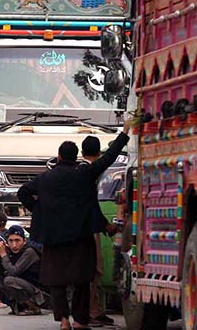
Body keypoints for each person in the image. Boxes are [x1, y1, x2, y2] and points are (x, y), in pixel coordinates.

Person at [18, 120, 131, 330]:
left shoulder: (44, 179)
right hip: (81, 237)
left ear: (59, 156)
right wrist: (124, 133)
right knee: (81, 282)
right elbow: (108, 157)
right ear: (75, 156)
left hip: (53, 238)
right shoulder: (85, 174)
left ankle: (63, 321)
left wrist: (39, 211)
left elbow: (22, 192)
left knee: (57, 281)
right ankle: (80, 321)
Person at [81, 136, 118, 327]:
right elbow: (92, 207)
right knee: (93, 271)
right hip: (87, 230)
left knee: (96, 271)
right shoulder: (88, 170)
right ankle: (91, 313)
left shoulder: (81, 170)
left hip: (86, 228)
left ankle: (96, 310)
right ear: (98, 153)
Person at [0, 225, 44, 316]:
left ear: (24, 241)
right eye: (11, 241)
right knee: (2, 279)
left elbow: (14, 271)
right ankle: (21, 306)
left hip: (39, 294)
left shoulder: (29, 252)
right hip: (26, 288)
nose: (14, 245)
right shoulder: (10, 252)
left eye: (17, 240)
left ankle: (34, 307)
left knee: (9, 280)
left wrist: (3, 255)